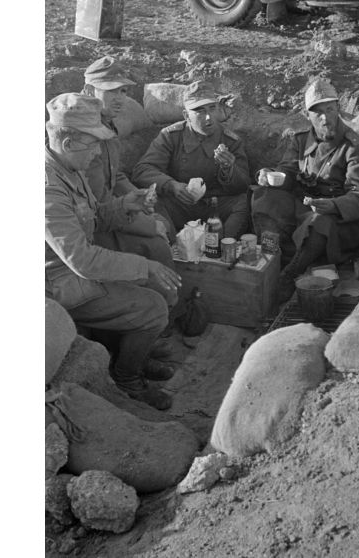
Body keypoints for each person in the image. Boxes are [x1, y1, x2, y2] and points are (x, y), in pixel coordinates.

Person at [45, 93, 182, 410]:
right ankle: (128, 380)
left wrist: (124, 206)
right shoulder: (47, 188)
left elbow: (93, 217)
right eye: (93, 144)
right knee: (153, 308)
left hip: (77, 271)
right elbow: (81, 259)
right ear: (68, 143)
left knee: (156, 289)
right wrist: (144, 266)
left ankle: (132, 356)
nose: (97, 151)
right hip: (59, 286)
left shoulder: (68, 166)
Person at [251, 78, 359, 301]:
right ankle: (271, 257)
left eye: (330, 109)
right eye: (317, 112)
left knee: (320, 221)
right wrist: (270, 176)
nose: (325, 118)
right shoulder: (300, 141)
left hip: (340, 220)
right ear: (307, 115)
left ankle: (291, 272)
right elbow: (287, 172)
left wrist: (335, 205)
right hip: (306, 208)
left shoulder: (355, 147)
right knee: (264, 195)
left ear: (338, 108)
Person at [80, 56, 179, 321]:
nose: (120, 98)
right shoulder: (83, 132)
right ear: (90, 91)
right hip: (89, 230)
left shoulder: (107, 124)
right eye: (111, 90)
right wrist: (147, 225)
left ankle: (164, 313)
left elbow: (116, 175)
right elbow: (98, 207)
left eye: (123, 90)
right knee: (156, 244)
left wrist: (140, 195)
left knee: (161, 216)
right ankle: (160, 317)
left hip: (110, 211)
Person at [132, 80, 250, 239]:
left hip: (215, 207)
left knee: (242, 203)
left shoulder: (231, 141)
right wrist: (172, 185)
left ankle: (222, 249)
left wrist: (229, 169)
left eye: (212, 108)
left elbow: (243, 185)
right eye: (199, 111)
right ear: (186, 115)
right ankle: (171, 246)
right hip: (179, 205)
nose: (208, 117)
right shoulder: (170, 136)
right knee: (152, 200)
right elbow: (142, 171)